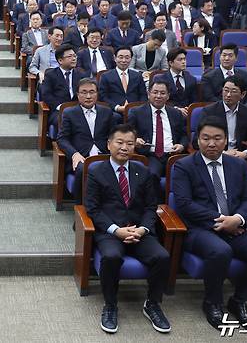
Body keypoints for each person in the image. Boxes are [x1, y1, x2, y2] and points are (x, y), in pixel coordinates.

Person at [172, 116, 247, 330]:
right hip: (201, 229)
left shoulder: (237, 165)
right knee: (220, 251)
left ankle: (239, 300)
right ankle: (212, 302)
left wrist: (236, 219)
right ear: (197, 140)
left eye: (217, 138)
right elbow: (184, 204)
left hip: (236, 227)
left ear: (226, 140)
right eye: (206, 138)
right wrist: (221, 220)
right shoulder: (184, 166)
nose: (211, 143)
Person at [85, 123, 171, 334]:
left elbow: (151, 206)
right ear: (109, 144)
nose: (124, 147)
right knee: (112, 256)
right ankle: (110, 304)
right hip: (110, 231)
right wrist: (116, 230)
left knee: (161, 256)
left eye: (130, 143)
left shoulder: (143, 171)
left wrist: (142, 229)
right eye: (120, 142)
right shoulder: (96, 171)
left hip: (139, 230)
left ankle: (152, 303)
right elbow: (93, 209)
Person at [57, 78, 114, 200]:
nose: (88, 96)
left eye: (92, 92)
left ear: (97, 94)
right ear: (77, 95)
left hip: (104, 154)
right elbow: (62, 139)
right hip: (81, 156)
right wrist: (74, 154)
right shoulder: (69, 113)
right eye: (84, 92)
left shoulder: (106, 111)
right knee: (84, 169)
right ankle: (81, 208)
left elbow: (112, 135)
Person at [128, 79, 187, 192]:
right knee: (152, 174)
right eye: (155, 92)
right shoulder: (136, 112)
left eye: (162, 93)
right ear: (149, 94)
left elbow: (184, 135)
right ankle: (158, 205)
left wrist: (181, 145)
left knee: (187, 173)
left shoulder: (176, 113)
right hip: (151, 155)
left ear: (168, 96)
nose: (158, 96)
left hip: (173, 154)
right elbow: (128, 134)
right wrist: (136, 140)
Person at [194, 76, 247, 158]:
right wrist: (222, 153)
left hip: (238, 155)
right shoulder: (209, 111)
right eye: (226, 90)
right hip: (215, 155)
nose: (228, 95)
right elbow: (196, 141)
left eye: (233, 91)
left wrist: (245, 153)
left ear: (243, 94)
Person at [41, 45, 89, 128]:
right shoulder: (51, 75)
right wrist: (61, 107)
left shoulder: (81, 74)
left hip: (79, 109)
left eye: (74, 56)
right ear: (60, 60)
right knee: (66, 120)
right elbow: (46, 95)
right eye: (70, 56)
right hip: (59, 111)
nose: (74, 59)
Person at [99, 46, 148, 121]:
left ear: (131, 59)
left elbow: (143, 95)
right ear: (115, 58)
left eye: (127, 57)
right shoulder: (106, 76)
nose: (124, 60)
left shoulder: (137, 75)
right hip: (114, 110)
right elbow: (103, 96)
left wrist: (138, 107)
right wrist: (116, 107)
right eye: (120, 57)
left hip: (135, 109)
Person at [154, 48, 198, 114]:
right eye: (180, 60)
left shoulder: (191, 79)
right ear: (171, 63)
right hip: (168, 112)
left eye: (184, 59)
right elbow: (158, 100)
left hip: (187, 113)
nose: (183, 62)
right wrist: (176, 109)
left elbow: (194, 100)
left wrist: (189, 108)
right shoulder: (161, 79)